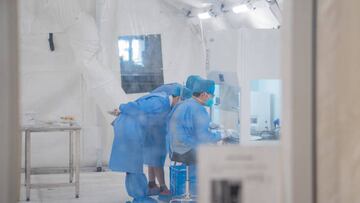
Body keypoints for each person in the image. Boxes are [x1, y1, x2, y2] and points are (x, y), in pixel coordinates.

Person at [109, 88, 181, 202]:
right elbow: (136, 107)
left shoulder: (164, 102)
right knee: (133, 165)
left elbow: (148, 115)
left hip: (133, 129)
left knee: (134, 164)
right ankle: (140, 197)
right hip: (131, 130)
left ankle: (145, 190)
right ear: (178, 97)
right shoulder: (160, 102)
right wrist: (122, 108)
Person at [167, 78, 223, 195]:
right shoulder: (199, 109)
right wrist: (221, 135)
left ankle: (190, 192)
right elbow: (204, 137)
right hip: (186, 150)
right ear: (204, 94)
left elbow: (182, 124)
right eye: (211, 96)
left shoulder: (182, 104)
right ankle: (196, 195)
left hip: (174, 149)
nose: (212, 99)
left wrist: (209, 125)